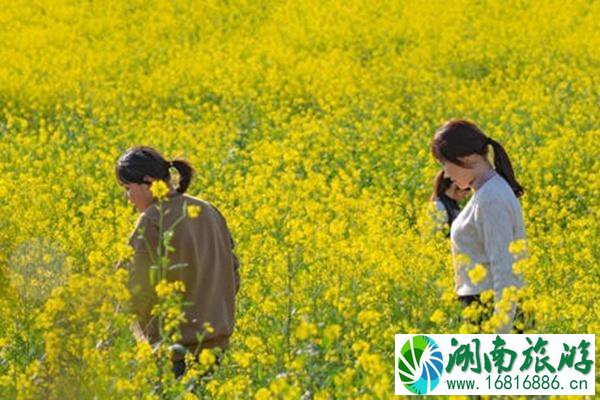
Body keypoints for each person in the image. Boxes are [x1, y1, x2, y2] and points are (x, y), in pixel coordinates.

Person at [115, 146, 240, 377]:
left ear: (149, 182)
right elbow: (233, 275)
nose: (128, 198)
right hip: (215, 349)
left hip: (172, 353)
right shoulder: (209, 211)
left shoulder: (152, 220)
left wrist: (116, 335)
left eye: (128, 189)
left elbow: (131, 286)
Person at [431, 119, 527, 333]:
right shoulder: (486, 192)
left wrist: (499, 332)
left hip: (493, 311)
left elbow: (505, 269)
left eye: (445, 164)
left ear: (464, 158)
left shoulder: (491, 197)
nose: (446, 174)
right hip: (485, 308)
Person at [430, 169, 471, 237]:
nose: (465, 196)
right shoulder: (438, 206)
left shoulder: (454, 204)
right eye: (466, 189)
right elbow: (435, 235)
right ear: (454, 186)